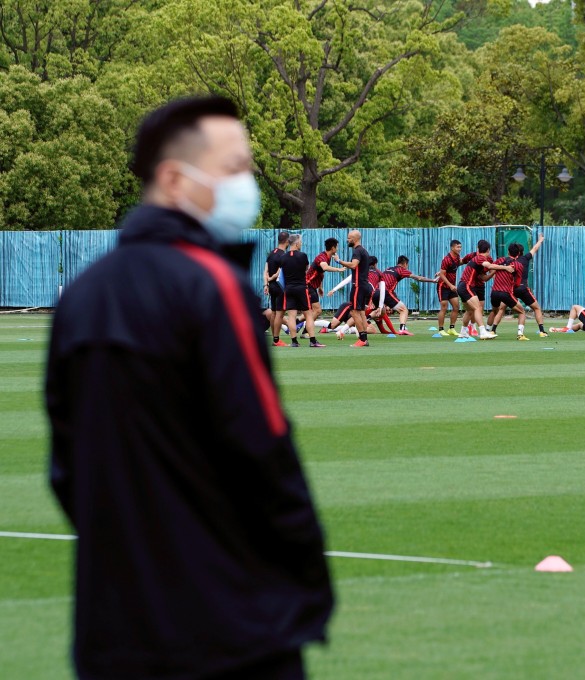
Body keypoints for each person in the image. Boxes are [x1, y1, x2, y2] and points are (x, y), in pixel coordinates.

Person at [45, 96, 334, 680]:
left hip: (113, 627)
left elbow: (68, 469)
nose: (247, 183)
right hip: (228, 626)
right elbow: (264, 451)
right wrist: (305, 589)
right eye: (235, 167)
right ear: (176, 179)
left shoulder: (82, 296)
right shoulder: (214, 287)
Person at [379, 256, 438, 334]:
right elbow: (419, 278)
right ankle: (402, 329)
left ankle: (365, 320)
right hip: (386, 292)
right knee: (404, 310)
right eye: (407, 265)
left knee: (378, 311)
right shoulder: (401, 270)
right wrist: (433, 280)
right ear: (405, 264)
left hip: (377, 291)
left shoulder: (388, 269)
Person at [304, 237, 346, 348]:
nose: (337, 248)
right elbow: (325, 267)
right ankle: (304, 331)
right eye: (337, 247)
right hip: (307, 285)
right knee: (317, 310)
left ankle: (300, 326)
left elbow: (319, 273)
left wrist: (320, 287)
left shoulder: (327, 257)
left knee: (310, 312)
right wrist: (338, 269)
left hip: (312, 286)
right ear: (333, 248)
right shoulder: (322, 257)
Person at [337, 229, 372, 347]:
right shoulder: (364, 251)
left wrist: (339, 261)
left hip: (358, 286)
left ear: (355, 239)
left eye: (349, 238)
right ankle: (364, 339)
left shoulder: (357, 251)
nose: (347, 240)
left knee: (354, 311)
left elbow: (353, 265)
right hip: (364, 285)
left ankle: (362, 339)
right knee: (361, 312)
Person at [280, 233, 312, 346]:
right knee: (308, 314)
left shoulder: (283, 257)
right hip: (301, 288)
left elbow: (282, 273)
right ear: (297, 243)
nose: (301, 244)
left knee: (291, 316)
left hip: (289, 288)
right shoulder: (303, 256)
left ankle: (294, 341)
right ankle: (312, 340)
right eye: (300, 242)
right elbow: (306, 269)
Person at [263, 230, 289, 346]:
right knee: (279, 314)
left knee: (273, 313)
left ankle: (275, 339)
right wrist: (273, 278)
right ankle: (277, 339)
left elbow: (265, 271)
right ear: (287, 241)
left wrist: (266, 284)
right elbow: (281, 272)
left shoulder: (271, 253)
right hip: (280, 286)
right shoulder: (283, 255)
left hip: (272, 287)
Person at [436, 240, 463, 336]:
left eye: (460, 247)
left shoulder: (457, 257)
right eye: (457, 247)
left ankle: (451, 328)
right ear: (452, 248)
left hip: (452, 287)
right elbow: (442, 275)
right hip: (443, 286)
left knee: (456, 307)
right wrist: (450, 285)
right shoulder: (446, 259)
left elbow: (458, 263)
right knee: (444, 307)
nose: (459, 249)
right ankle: (441, 329)